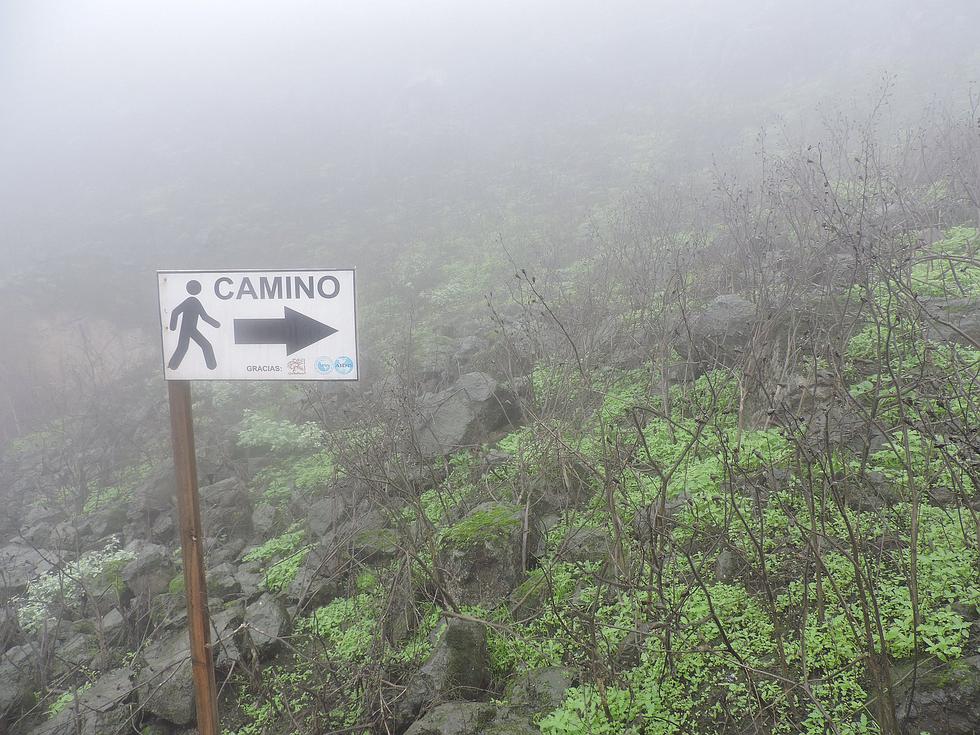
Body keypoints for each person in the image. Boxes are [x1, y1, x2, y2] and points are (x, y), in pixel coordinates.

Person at [168, 280, 220, 370]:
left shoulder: (193, 301)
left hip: (189, 329)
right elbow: (175, 312)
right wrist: (173, 327)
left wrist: (216, 324)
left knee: (183, 347)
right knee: (205, 346)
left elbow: (204, 316)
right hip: (189, 329)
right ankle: (212, 366)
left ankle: (173, 365)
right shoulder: (192, 301)